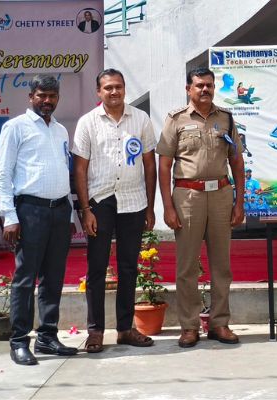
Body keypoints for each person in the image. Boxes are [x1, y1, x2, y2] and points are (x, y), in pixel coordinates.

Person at [157, 67, 245, 348]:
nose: (205, 89)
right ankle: (189, 326)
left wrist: (239, 202)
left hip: (220, 195)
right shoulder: (176, 120)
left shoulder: (226, 119)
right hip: (188, 197)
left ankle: (220, 323)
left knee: (222, 266)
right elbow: (164, 165)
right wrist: (167, 207)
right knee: (187, 266)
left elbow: (237, 161)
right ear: (188, 89)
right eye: (199, 85)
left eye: (209, 85)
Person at [71, 68, 158, 353]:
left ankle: (125, 329)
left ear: (124, 88)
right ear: (99, 92)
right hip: (100, 201)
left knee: (129, 267)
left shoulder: (141, 119)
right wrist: (86, 209)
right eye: (108, 87)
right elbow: (80, 169)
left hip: (134, 201)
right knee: (97, 267)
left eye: (118, 86)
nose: (114, 92)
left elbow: (149, 164)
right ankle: (95, 331)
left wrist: (150, 206)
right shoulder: (88, 122)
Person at [0, 75, 77, 365]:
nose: (47, 101)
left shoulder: (60, 130)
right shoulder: (15, 127)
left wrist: (69, 212)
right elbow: (3, 174)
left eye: (52, 96)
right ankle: (19, 342)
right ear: (31, 96)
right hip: (30, 211)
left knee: (54, 277)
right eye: (41, 95)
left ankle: (47, 337)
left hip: (59, 211)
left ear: (58, 98)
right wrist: (9, 216)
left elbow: (63, 171)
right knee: (25, 279)